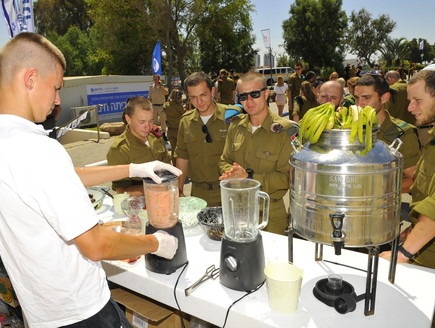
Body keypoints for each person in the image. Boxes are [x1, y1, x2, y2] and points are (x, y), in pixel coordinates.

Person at [0, 32, 181, 328]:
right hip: (82, 313)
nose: (58, 99)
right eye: (56, 87)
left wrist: (133, 168)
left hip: (41, 314)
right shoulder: (38, 149)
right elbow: (95, 245)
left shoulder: (8, 141)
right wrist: (155, 243)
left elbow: (66, 178)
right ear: (30, 78)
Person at [219, 72, 296, 235]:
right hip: (237, 210)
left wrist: (247, 178)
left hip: (269, 213)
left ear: (267, 93)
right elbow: (224, 160)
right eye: (243, 96)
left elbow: (285, 179)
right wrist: (232, 173)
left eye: (254, 94)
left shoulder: (285, 131)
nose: (249, 101)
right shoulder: (235, 126)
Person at [380, 70, 435, 269]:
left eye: (417, 100)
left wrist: (403, 253)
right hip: (423, 251)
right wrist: (413, 229)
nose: (410, 107)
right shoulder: (431, 139)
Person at [354, 74, 421, 193]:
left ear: (384, 98)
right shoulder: (349, 130)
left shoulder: (403, 133)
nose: (359, 104)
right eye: (357, 98)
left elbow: (413, 179)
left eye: (366, 98)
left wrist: (376, 190)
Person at [174, 72, 230, 206]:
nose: (198, 102)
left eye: (203, 95)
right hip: (198, 193)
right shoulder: (185, 121)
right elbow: (182, 156)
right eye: (193, 97)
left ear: (212, 91)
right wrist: (180, 190)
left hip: (228, 191)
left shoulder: (231, 117)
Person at [107, 96, 171, 195]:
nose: (148, 126)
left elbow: (167, 164)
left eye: (151, 121)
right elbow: (121, 190)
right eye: (142, 122)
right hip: (141, 205)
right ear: (128, 119)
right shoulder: (120, 150)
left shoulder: (155, 137)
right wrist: (155, 187)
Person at [163, 88, 185, 163]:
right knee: (181, 151)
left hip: (170, 130)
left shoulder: (166, 105)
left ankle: (174, 165)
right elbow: (184, 116)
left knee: (173, 150)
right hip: (178, 130)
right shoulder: (179, 107)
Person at [148, 74, 169, 140]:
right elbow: (150, 97)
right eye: (154, 79)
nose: (155, 80)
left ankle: (163, 134)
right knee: (154, 121)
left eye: (156, 79)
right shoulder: (151, 87)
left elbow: (166, 93)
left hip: (161, 106)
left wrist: (161, 86)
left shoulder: (163, 86)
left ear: (159, 79)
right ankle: (155, 134)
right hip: (154, 106)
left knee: (163, 121)